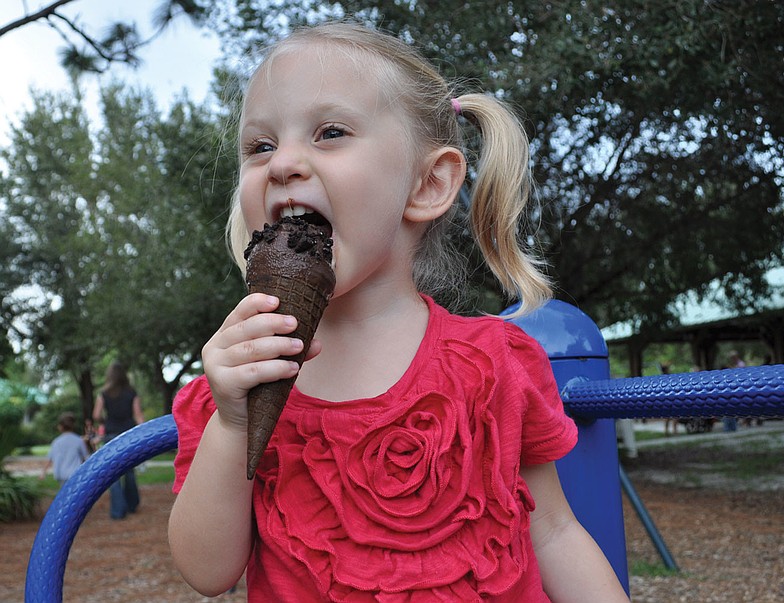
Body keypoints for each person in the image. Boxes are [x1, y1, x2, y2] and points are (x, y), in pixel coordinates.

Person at [168, 21, 629, 602]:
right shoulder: (231, 389)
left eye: (330, 132)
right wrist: (235, 425)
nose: (282, 162)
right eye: (260, 146)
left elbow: (555, 531)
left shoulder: (494, 363)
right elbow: (209, 571)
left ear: (428, 184)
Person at [93, 361, 145, 519]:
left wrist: (105, 421)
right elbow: (138, 415)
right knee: (129, 471)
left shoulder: (103, 393)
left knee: (112, 474)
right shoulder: (132, 392)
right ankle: (132, 504)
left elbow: (96, 415)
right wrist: (144, 432)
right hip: (129, 435)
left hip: (111, 435)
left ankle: (117, 511)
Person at [42, 412, 89, 487]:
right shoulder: (78, 440)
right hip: (74, 473)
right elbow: (86, 457)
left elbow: (50, 459)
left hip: (60, 474)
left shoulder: (56, 442)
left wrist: (43, 472)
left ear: (60, 427)